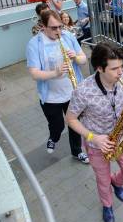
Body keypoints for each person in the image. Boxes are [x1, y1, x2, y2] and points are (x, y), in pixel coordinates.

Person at [66, 43, 123, 222]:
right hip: (96, 144)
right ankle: (107, 205)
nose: (120, 72)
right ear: (99, 68)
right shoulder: (83, 91)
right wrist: (93, 138)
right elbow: (70, 119)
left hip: (121, 137)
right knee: (102, 180)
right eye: (114, 68)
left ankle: (116, 182)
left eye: (122, 66)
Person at [26, 10, 89, 163]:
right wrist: (55, 73)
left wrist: (76, 57)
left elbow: (83, 60)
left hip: (72, 91)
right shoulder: (34, 44)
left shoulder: (67, 36)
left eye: (60, 26)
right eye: (54, 28)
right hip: (50, 96)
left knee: (74, 123)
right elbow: (34, 74)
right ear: (42, 26)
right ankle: (53, 137)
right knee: (57, 125)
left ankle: (77, 151)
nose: (59, 31)